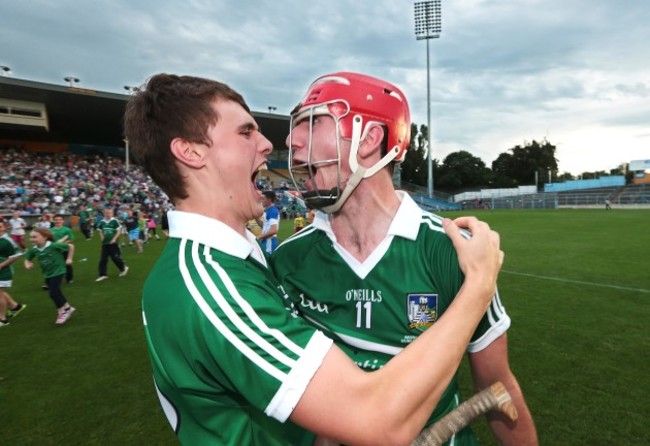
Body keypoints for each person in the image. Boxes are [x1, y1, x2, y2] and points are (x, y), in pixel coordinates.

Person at [123, 73, 503, 446]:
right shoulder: (213, 286)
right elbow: (376, 420)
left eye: (314, 122)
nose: (274, 143)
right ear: (190, 152)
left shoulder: (236, 261)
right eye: (245, 132)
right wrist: (478, 287)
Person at [271, 72, 538, 446]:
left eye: (312, 124)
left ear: (369, 139)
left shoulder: (452, 251)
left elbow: (496, 387)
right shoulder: (288, 260)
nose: (291, 141)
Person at [24, 228, 76, 325]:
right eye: (31, 237)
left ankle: (62, 312)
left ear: (45, 237)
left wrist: (69, 259)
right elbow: (27, 258)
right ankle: (68, 308)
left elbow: (70, 246)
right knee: (56, 291)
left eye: (35, 237)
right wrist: (28, 264)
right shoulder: (34, 250)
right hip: (47, 274)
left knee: (53, 292)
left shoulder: (54, 245)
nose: (32, 239)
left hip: (59, 271)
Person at [0, 218, 26, 327]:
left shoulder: (7, 241)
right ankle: (15, 307)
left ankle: (2, 319)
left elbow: (16, 256)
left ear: (5, 227)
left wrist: (1, 265)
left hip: (4, 272)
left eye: (0, 226)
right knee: (1, 293)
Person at [96, 208, 128, 281]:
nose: (108, 214)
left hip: (113, 243)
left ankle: (123, 268)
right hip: (105, 243)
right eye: (106, 213)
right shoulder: (102, 222)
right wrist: (102, 238)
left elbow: (119, 231)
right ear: (104, 214)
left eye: (109, 213)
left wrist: (114, 239)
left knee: (115, 258)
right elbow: (100, 231)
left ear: (112, 214)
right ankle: (103, 274)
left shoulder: (114, 221)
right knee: (103, 259)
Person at [51, 214, 75, 283]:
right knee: (54, 265)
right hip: (54, 251)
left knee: (68, 264)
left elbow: (71, 239)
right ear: (53, 221)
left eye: (60, 219)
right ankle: (53, 279)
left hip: (65, 250)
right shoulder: (50, 230)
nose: (58, 221)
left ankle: (69, 278)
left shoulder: (66, 230)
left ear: (63, 221)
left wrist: (63, 242)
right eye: (56, 220)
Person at [256, 190, 280, 255]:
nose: (261, 201)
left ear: (269, 200)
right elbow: (264, 226)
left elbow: (274, 230)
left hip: (269, 241)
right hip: (267, 241)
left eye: (263, 199)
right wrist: (256, 218)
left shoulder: (272, 211)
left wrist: (259, 236)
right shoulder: (269, 210)